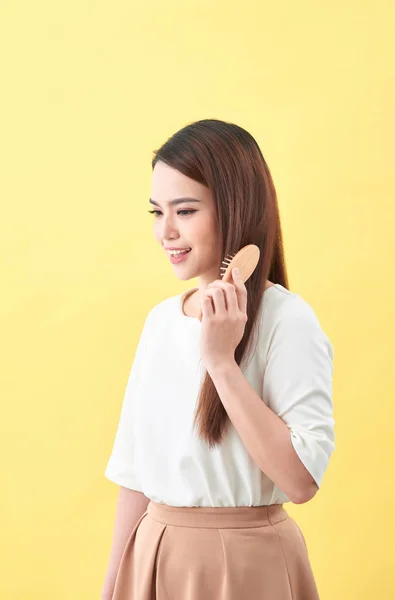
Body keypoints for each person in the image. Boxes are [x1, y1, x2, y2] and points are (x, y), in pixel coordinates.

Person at [101, 119, 335, 600]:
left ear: (234, 208)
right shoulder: (161, 322)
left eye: (184, 210)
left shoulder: (286, 320)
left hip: (249, 566)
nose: (165, 231)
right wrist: (111, 589)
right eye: (156, 211)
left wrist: (222, 363)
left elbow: (300, 481)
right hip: (154, 557)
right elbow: (134, 477)